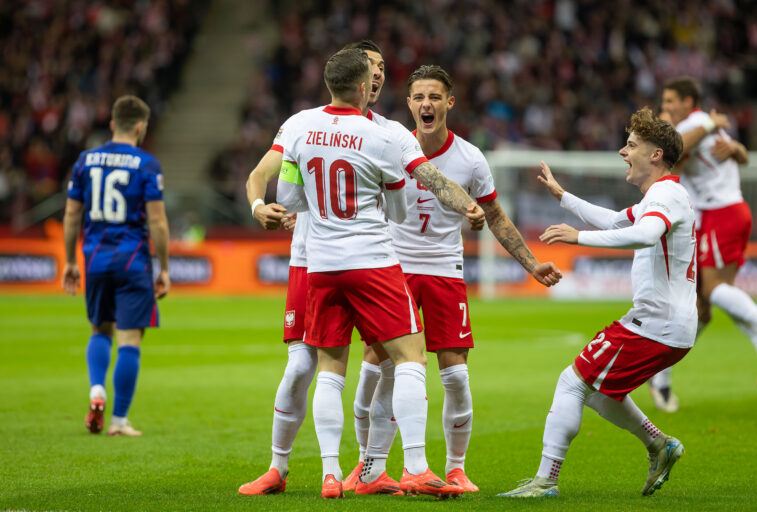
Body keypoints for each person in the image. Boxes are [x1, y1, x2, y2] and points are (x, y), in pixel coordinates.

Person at [238, 42, 483, 497]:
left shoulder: (303, 126)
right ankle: (405, 465)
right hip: (351, 260)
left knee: (340, 367)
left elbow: (287, 192)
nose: (377, 77)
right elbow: (406, 202)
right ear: (357, 79)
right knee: (382, 361)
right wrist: (465, 203)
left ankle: (345, 471)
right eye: (371, 69)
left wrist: (270, 203)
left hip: (323, 264)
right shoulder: (384, 137)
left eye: (383, 70)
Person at [345, 65, 562, 495]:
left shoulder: (470, 158)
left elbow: (495, 214)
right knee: (377, 367)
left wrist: (531, 264)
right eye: (418, 97)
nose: (426, 104)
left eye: (434, 97)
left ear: (449, 103)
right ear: (408, 103)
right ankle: (368, 465)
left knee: (456, 376)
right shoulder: (388, 147)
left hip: (445, 269)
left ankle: (457, 468)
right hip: (393, 269)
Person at [499, 108, 696, 498]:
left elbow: (643, 235)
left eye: (632, 145)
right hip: (667, 325)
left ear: (656, 155)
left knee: (571, 383)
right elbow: (615, 222)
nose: (624, 152)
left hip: (656, 323)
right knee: (601, 392)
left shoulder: (666, 194)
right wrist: (563, 197)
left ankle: (545, 481)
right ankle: (660, 444)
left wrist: (578, 238)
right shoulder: (663, 194)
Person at [652, 77, 757, 411]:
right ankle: (662, 380)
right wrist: (736, 146)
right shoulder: (702, 125)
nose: (666, 108)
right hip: (715, 216)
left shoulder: (695, 124)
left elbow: (677, 151)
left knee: (713, 291)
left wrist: (708, 126)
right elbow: (735, 157)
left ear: (689, 102)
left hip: (720, 213)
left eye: (671, 101)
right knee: (702, 305)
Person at [62, 95, 170, 437]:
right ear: (140, 126)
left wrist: (68, 261)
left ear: (112, 124)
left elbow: (70, 216)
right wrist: (163, 267)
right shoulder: (147, 164)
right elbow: (159, 223)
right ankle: (120, 420)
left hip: (94, 259)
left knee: (99, 329)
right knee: (130, 338)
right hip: (132, 260)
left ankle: (97, 389)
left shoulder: (85, 160)